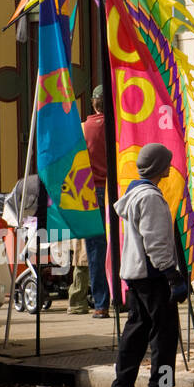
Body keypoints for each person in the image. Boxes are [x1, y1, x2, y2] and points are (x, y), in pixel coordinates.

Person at [109, 143, 189, 387]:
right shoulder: (152, 198)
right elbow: (155, 241)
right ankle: (161, 386)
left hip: (135, 274)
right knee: (165, 334)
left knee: (136, 330)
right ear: (158, 166)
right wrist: (172, 274)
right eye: (166, 162)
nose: (169, 166)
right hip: (154, 275)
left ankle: (122, 385)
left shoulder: (134, 194)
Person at [73, 86, 111, 318]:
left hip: (92, 193)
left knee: (96, 251)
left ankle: (101, 304)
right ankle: (123, 297)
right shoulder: (118, 128)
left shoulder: (81, 130)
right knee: (121, 244)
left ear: (93, 103)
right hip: (115, 192)